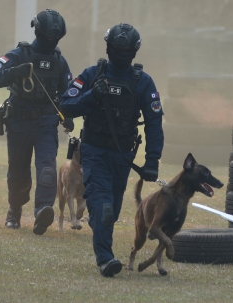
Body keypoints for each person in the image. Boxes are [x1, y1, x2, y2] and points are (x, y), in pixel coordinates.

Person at [59, 23, 164, 277]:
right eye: (117, 49)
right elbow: (65, 105)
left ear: (133, 52)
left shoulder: (143, 82)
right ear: (108, 48)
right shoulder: (92, 74)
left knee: (111, 211)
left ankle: (97, 221)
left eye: (124, 50)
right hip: (93, 153)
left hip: (122, 157)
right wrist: (92, 96)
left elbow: (154, 123)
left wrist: (152, 161)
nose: (120, 54)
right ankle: (106, 259)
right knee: (103, 205)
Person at [0, 9, 74, 235]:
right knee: (18, 172)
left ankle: (42, 210)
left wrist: (69, 115)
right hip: (19, 121)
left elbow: (68, 93)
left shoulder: (59, 61)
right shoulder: (19, 54)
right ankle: (14, 210)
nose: (51, 42)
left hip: (46, 123)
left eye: (56, 38)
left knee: (47, 167)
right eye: (48, 37)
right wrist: (15, 72)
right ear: (38, 32)